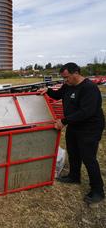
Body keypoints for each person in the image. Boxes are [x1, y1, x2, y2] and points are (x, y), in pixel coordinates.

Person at [40, 62, 105, 203]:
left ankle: (98, 190)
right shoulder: (68, 86)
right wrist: (48, 91)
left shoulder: (90, 88)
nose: (65, 80)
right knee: (73, 151)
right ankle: (74, 176)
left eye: (67, 77)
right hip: (74, 124)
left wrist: (63, 121)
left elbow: (86, 112)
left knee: (88, 157)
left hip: (90, 127)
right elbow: (58, 95)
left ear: (76, 73)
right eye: (63, 78)